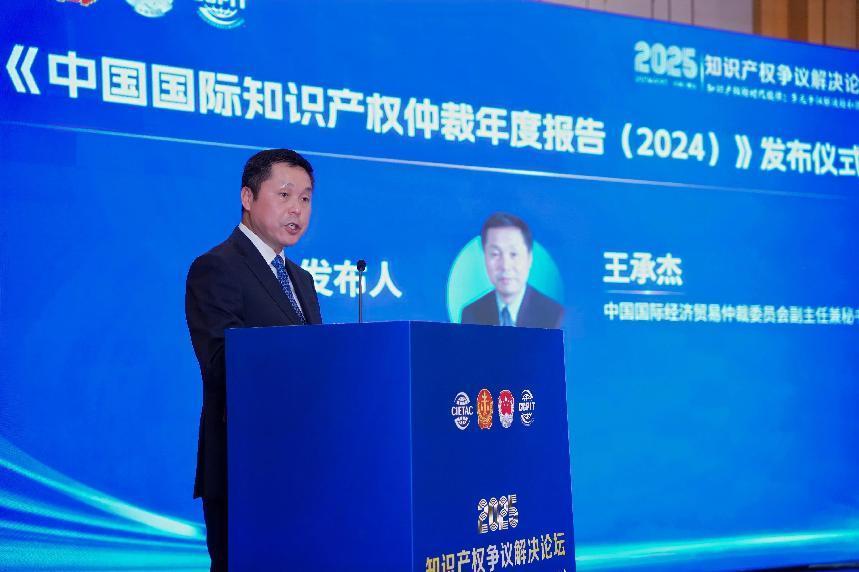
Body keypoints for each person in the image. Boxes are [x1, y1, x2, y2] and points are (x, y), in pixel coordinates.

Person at [185, 149, 322, 571]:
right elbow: (222, 364)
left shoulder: (302, 280)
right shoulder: (216, 268)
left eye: (305, 198)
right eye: (284, 194)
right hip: (245, 470)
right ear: (248, 197)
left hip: (303, 466)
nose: (297, 208)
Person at [461, 212, 563, 329]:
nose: (505, 265)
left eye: (513, 254)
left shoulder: (554, 315)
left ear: (529, 258)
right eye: (495, 254)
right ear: (485, 258)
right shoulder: (471, 314)